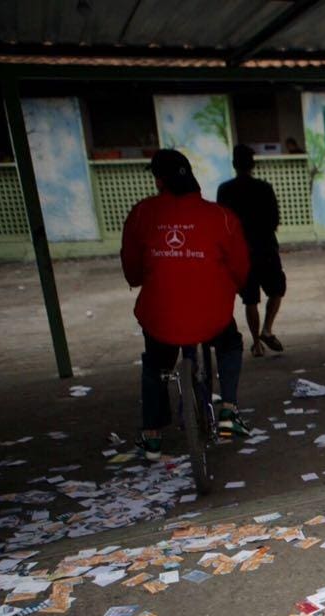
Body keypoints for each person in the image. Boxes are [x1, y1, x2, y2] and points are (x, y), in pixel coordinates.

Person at [122, 149, 250, 460]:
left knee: (155, 364)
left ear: (159, 180)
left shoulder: (142, 214)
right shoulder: (220, 216)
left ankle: (152, 435)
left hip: (161, 316)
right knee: (230, 343)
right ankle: (229, 410)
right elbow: (241, 269)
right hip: (212, 313)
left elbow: (133, 271)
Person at [217, 144, 287, 357]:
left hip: (240, 252)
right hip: (265, 248)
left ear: (233, 165)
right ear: (253, 164)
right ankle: (267, 328)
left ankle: (256, 343)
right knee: (276, 290)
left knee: (250, 299)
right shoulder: (264, 188)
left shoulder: (225, 190)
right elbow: (274, 219)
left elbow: (223, 223)